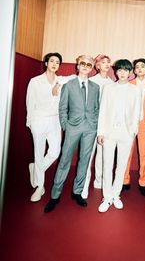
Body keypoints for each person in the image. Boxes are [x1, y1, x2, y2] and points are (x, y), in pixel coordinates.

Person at [44, 55, 100, 213]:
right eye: (82, 63)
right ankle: (55, 195)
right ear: (78, 66)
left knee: (84, 161)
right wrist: (66, 126)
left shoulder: (95, 87)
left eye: (88, 65)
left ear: (91, 68)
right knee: (64, 161)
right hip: (72, 127)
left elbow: (96, 108)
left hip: (90, 129)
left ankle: (77, 192)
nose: (85, 66)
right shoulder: (69, 84)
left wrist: (95, 125)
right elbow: (62, 108)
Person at [26, 52, 76, 202]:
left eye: (57, 62)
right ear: (46, 63)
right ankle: (39, 187)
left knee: (55, 151)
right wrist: (31, 123)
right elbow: (30, 103)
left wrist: (59, 83)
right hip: (39, 120)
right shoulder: (35, 81)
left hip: (54, 120)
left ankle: (36, 168)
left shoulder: (60, 80)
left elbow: (74, 77)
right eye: (52, 61)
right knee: (39, 153)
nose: (55, 64)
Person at [97, 59, 141, 213]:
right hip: (109, 132)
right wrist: (100, 132)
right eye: (120, 70)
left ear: (130, 72)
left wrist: (133, 131)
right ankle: (106, 196)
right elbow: (102, 111)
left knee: (121, 166)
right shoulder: (108, 88)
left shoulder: (135, 90)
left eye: (126, 70)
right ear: (115, 72)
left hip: (126, 133)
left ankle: (116, 195)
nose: (122, 73)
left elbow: (137, 113)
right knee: (107, 164)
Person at [81, 54, 113, 199]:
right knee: (88, 154)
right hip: (91, 123)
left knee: (102, 155)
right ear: (97, 66)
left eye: (108, 62)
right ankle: (84, 184)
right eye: (103, 62)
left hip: (105, 125)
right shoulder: (91, 81)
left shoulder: (113, 83)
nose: (106, 64)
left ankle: (98, 181)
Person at [122, 58, 145, 196]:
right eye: (137, 67)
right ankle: (124, 180)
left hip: (144, 124)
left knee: (144, 154)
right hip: (129, 123)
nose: (140, 68)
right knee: (126, 152)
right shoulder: (129, 85)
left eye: (142, 66)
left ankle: (143, 182)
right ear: (134, 70)